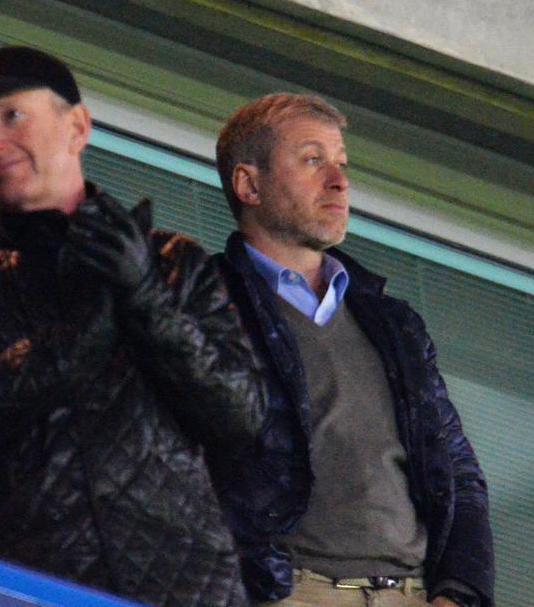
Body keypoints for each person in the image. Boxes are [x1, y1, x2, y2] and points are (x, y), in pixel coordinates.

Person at [0, 46, 264, 606]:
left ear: (78, 127)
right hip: (24, 589)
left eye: (12, 116)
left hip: (185, 590)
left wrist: (145, 299)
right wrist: (71, 348)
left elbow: (241, 416)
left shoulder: (172, 263)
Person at [211, 93, 493, 606]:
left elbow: (460, 475)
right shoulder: (204, 303)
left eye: (341, 164)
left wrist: (459, 595)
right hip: (288, 594)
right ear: (249, 184)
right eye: (313, 159)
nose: (339, 181)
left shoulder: (394, 324)